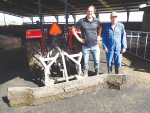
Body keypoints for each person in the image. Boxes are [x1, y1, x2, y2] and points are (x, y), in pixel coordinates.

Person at [72, 5, 101, 77]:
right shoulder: (82, 21)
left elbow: (100, 27)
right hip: (85, 46)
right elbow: (73, 29)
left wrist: (99, 36)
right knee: (85, 62)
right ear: (86, 11)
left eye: (91, 11)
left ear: (93, 12)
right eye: (88, 11)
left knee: (97, 60)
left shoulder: (97, 21)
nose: (90, 12)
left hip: (95, 45)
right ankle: (85, 73)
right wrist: (79, 38)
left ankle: (97, 72)